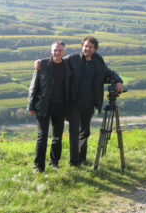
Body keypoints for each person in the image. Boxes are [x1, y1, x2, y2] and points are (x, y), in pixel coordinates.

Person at [35, 36, 123, 166]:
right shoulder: (73, 59)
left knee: (85, 133)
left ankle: (82, 159)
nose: (88, 48)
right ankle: (74, 162)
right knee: (74, 133)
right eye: (86, 46)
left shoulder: (98, 62)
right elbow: (56, 60)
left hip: (89, 103)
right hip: (74, 103)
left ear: (94, 49)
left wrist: (119, 80)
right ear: (82, 46)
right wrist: (39, 62)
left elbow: (109, 72)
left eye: (91, 47)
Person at [28, 41, 71, 173]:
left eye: (60, 50)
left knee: (57, 137)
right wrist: (31, 105)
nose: (57, 53)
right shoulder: (42, 65)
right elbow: (33, 86)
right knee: (42, 136)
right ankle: (39, 166)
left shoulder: (67, 66)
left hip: (60, 107)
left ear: (63, 52)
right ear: (51, 51)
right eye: (55, 50)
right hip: (43, 106)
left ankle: (54, 162)